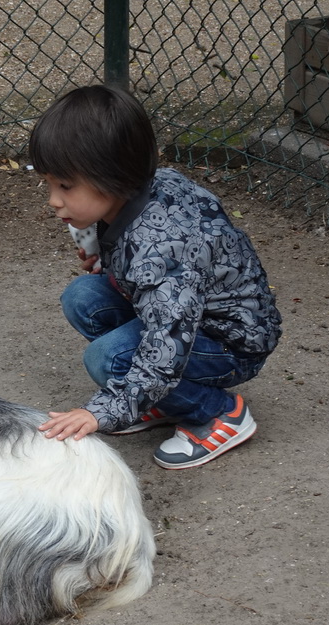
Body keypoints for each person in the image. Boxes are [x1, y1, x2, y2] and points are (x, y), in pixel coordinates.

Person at [28, 84, 282, 469]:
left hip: (231, 342)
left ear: (113, 175)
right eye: (48, 183)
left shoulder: (161, 249)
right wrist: (105, 260)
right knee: (83, 296)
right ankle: (159, 398)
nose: (53, 199)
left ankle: (220, 413)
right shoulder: (148, 188)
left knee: (109, 360)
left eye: (65, 185)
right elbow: (150, 284)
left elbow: (168, 336)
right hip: (194, 318)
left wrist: (104, 410)